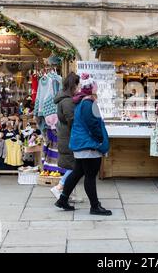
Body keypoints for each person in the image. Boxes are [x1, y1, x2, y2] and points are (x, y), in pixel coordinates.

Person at [55, 73, 112, 216]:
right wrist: (100, 140)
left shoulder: (82, 102)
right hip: (88, 145)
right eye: (95, 86)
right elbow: (93, 125)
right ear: (92, 88)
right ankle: (95, 206)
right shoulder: (88, 103)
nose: (97, 88)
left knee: (77, 173)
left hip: (82, 144)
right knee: (90, 175)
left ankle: (62, 199)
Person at [50, 72, 84, 203]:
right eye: (78, 84)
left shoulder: (66, 99)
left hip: (67, 136)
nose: (80, 87)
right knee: (75, 167)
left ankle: (68, 193)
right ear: (73, 85)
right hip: (69, 137)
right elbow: (73, 121)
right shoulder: (68, 101)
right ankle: (60, 187)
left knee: (74, 166)